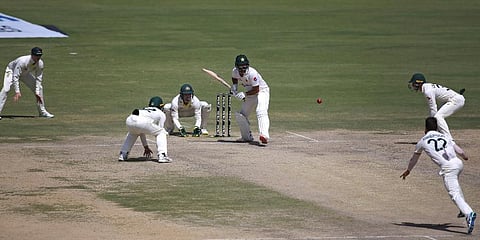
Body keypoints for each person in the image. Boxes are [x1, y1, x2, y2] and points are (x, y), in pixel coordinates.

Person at [400, 117, 476, 234]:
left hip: (448, 168)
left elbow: (414, 159)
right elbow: (459, 151)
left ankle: (468, 212)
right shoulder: (445, 136)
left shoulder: (423, 141)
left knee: (453, 193)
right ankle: (462, 208)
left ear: (425, 128)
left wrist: (408, 170)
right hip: (458, 163)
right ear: (436, 127)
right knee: (455, 185)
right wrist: (464, 157)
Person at [408, 73, 465, 143]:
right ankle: (440, 135)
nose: (413, 85)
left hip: (456, 100)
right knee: (438, 117)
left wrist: (431, 125)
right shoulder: (428, 87)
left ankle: (449, 139)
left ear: (418, 83)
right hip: (455, 99)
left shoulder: (428, 91)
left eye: (413, 83)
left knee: (438, 116)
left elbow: (433, 108)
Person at [0, 47, 54, 120]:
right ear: (32, 55)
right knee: (5, 90)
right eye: (36, 55)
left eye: (39, 55)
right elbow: (15, 76)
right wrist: (17, 91)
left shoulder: (40, 63)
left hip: (25, 73)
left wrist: (37, 92)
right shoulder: (22, 62)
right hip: (11, 71)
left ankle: (42, 112)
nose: (38, 57)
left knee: (40, 88)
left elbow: (39, 78)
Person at [230, 54, 270, 144]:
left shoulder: (252, 73)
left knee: (261, 111)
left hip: (262, 91)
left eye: (244, 67)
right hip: (250, 91)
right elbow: (234, 78)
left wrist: (244, 94)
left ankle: (264, 135)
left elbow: (256, 89)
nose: (243, 69)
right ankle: (246, 137)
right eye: (240, 67)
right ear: (236, 67)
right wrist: (234, 88)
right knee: (241, 115)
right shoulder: (235, 71)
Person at [118, 96, 172, 163]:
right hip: (141, 121)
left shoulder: (144, 109)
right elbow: (159, 130)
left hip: (129, 119)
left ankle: (123, 154)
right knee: (161, 132)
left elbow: (141, 132)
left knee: (133, 133)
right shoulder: (161, 113)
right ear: (160, 106)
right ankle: (162, 155)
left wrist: (146, 147)